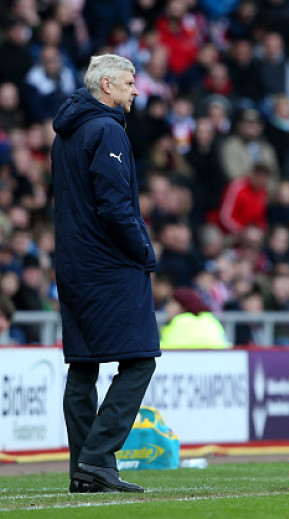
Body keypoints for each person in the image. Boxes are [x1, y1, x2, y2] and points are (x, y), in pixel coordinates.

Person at [51, 54, 159, 493]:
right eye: (131, 82)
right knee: (140, 359)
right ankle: (97, 459)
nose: (137, 90)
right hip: (109, 266)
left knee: (83, 365)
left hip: (73, 265)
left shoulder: (67, 132)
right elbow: (114, 208)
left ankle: (84, 470)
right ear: (108, 85)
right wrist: (144, 251)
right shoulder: (107, 129)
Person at [159, 287, 229, 349]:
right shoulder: (212, 322)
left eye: (172, 303)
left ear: (184, 307)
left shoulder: (177, 325)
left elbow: (164, 353)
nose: (167, 307)